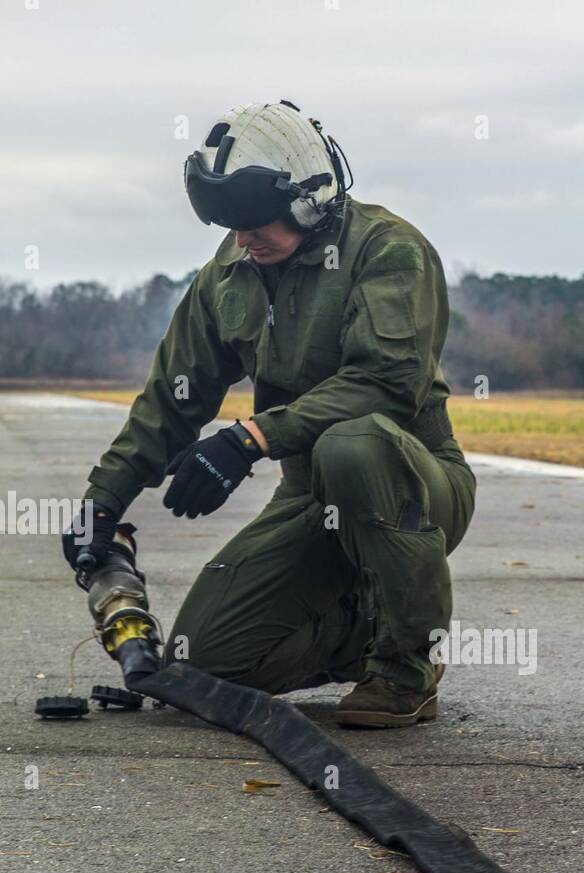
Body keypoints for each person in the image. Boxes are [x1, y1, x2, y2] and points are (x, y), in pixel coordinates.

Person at [62, 100, 475, 728]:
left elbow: (386, 383)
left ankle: (406, 667)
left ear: (310, 197)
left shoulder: (387, 250)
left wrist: (252, 438)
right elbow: (171, 401)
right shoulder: (228, 276)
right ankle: (365, 627)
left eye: (256, 221)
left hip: (411, 482)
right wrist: (102, 505)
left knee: (352, 445)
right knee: (200, 666)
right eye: (229, 224)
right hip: (310, 495)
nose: (245, 239)